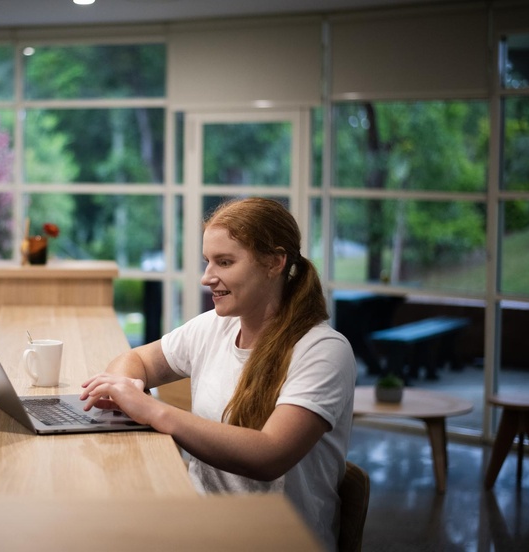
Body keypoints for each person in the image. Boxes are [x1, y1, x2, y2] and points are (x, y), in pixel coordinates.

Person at [80, 197, 356, 551]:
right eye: (208, 261)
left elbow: (269, 455)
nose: (207, 277)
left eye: (224, 262)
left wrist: (152, 410)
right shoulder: (215, 327)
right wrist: (128, 387)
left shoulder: (324, 351)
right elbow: (136, 360)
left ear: (274, 262)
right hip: (202, 523)